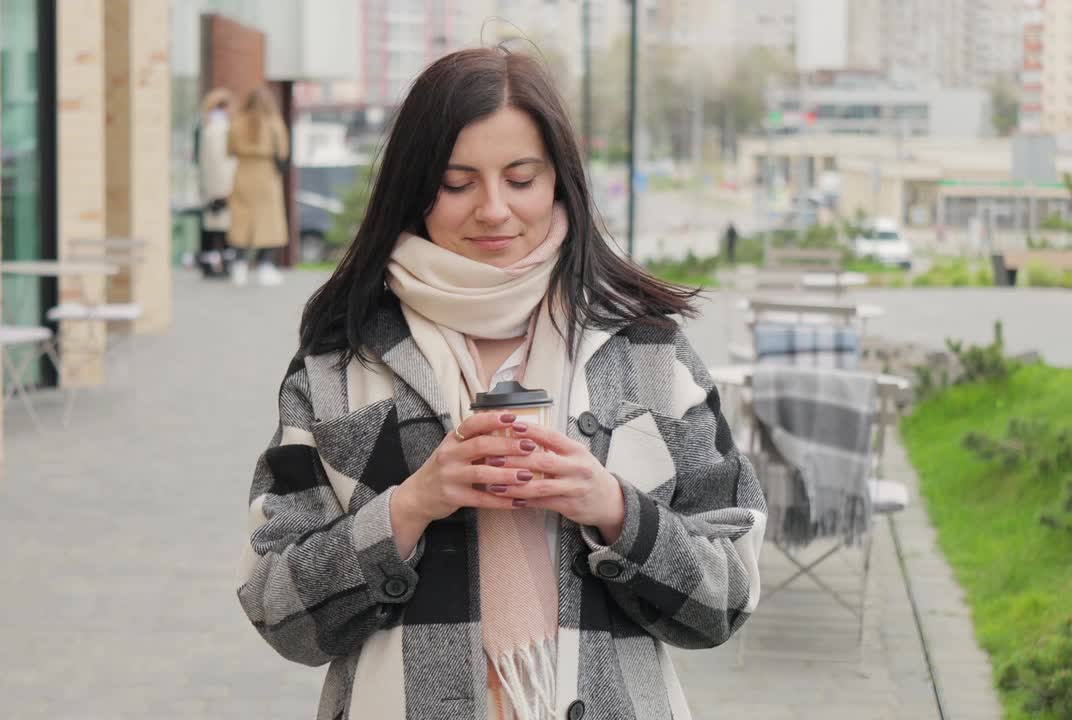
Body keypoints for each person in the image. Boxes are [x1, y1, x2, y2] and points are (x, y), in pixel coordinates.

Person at [237, 48, 765, 720]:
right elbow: (276, 606)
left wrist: (613, 508)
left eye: (521, 178)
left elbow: (730, 594)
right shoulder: (340, 360)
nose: (493, 210)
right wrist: (409, 507)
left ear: (558, 183)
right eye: (457, 184)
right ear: (412, 187)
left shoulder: (646, 350)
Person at [227, 87, 290, 286]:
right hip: (266, 176)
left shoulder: (236, 123)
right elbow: (282, 152)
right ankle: (264, 265)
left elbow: (229, 149)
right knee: (269, 221)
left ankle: (239, 266)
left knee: (241, 220)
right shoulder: (274, 123)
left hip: (243, 174)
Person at [196, 88, 238, 278]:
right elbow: (222, 162)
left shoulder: (206, 127)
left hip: (210, 186)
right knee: (222, 229)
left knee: (211, 228)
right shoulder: (221, 129)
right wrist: (224, 189)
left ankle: (211, 263)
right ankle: (221, 265)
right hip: (222, 185)